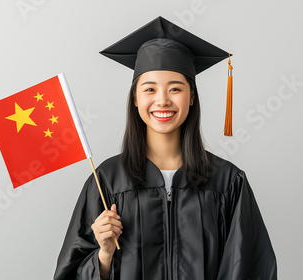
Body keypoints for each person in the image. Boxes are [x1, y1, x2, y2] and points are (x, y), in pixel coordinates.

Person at [54, 16, 277, 280]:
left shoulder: (228, 182)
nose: (162, 100)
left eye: (175, 89)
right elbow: (70, 274)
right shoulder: (107, 181)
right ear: (135, 98)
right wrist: (103, 255)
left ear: (191, 97)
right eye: (149, 89)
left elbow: (249, 269)